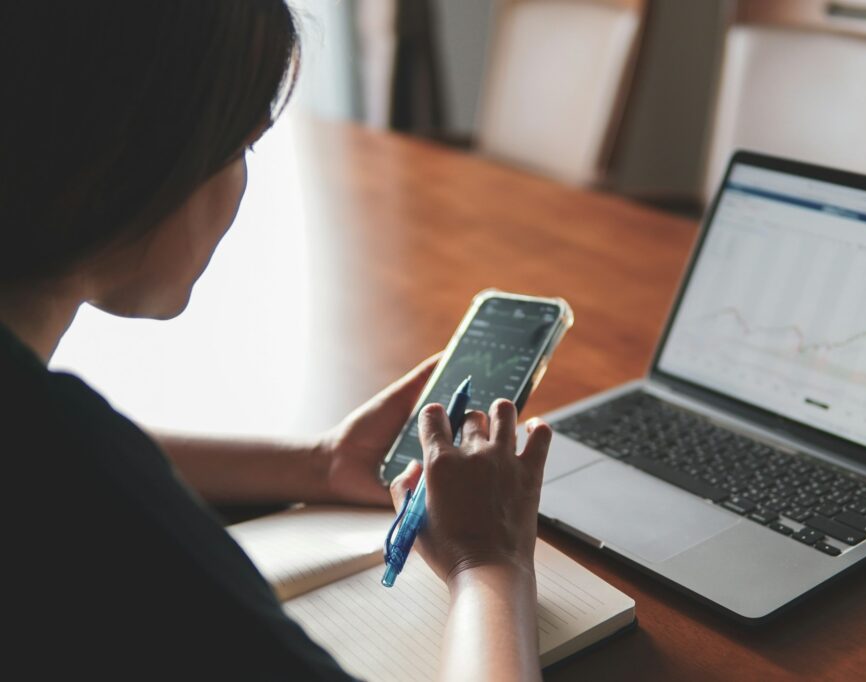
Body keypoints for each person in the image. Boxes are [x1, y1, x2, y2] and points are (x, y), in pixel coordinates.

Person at [0, 2, 552, 680]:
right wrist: (488, 563)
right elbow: (75, 467)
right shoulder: (70, 475)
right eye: (238, 147)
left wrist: (317, 466)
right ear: (138, 156)